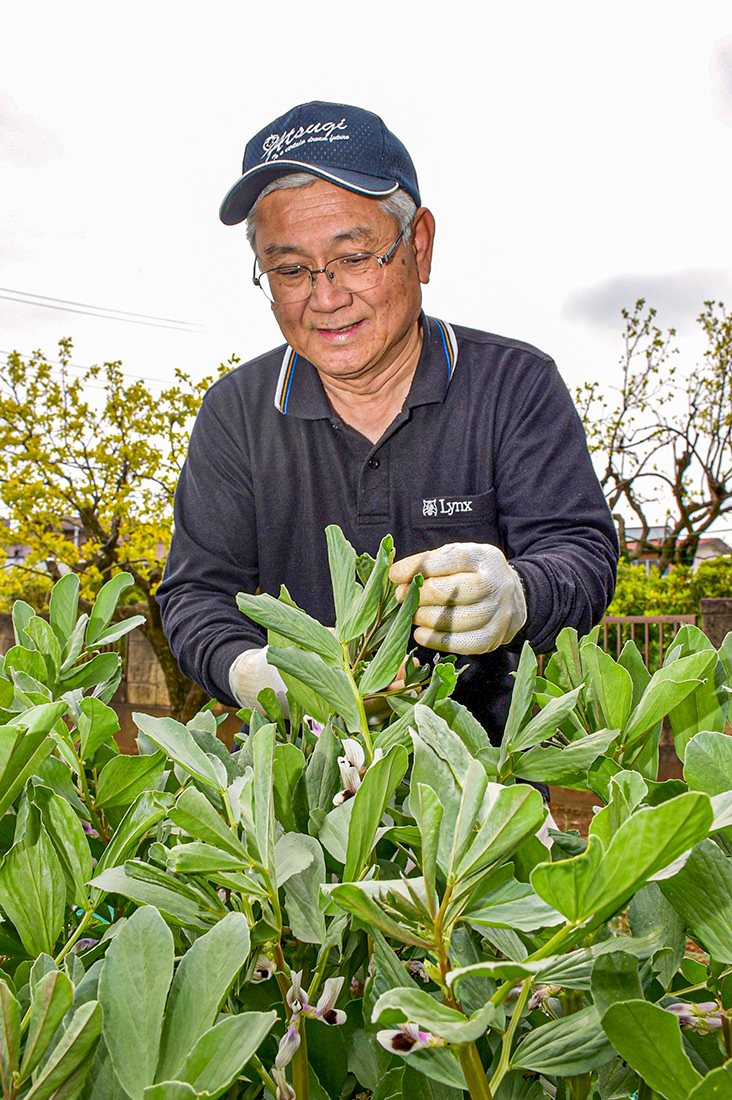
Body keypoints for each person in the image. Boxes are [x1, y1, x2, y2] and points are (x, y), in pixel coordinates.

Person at [156, 100, 618, 742]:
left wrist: (518, 595)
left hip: (480, 797)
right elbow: (196, 596)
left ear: (419, 246)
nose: (326, 295)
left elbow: (582, 553)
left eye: (354, 256)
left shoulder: (515, 385)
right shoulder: (235, 414)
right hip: (303, 794)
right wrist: (254, 672)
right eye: (289, 269)